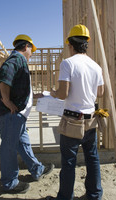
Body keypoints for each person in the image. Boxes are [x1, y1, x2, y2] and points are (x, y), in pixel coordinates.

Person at [46, 24, 104, 200]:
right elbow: (100, 93)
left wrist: (53, 93)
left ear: (70, 44)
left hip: (72, 122)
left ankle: (65, 197)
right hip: (90, 120)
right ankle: (94, 195)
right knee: (92, 159)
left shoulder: (67, 63)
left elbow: (63, 93)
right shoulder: (96, 66)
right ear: (86, 43)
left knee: (69, 162)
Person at [0, 34, 54, 194]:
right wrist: (7, 101)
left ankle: (37, 169)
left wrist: (36, 96)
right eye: (31, 50)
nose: (32, 53)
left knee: (23, 143)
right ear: (25, 46)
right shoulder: (16, 59)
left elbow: (18, 88)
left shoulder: (20, 62)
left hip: (17, 116)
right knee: (9, 148)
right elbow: (5, 78)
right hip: (9, 114)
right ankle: (10, 183)